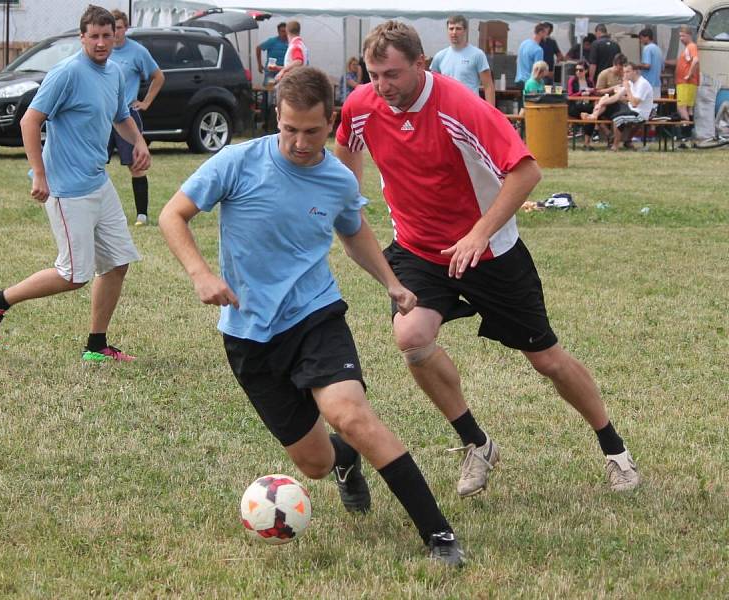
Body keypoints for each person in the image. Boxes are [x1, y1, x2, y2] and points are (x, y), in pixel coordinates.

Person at [158, 66, 464, 567]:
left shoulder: (338, 179)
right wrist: (200, 273)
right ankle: (344, 460)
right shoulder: (236, 162)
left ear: (331, 123)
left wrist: (391, 282)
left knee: (352, 414)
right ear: (275, 117)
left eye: (313, 131)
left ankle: (439, 536)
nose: (300, 142)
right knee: (315, 463)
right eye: (289, 129)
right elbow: (174, 214)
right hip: (248, 332)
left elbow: (354, 230)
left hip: (315, 314)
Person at [334, 20, 640, 496]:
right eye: (373, 74)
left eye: (391, 74)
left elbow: (526, 172)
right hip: (418, 249)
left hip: (490, 252)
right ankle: (477, 443)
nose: (381, 86)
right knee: (412, 338)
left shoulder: (460, 106)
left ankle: (615, 448)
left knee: (547, 359)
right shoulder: (361, 105)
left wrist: (478, 235)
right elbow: (344, 155)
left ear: (421, 64)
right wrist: (342, 201)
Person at [0, 5, 149, 362]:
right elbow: (29, 121)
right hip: (67, 189)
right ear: (82, 37)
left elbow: (120, 117)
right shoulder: (66, 73)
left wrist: (140, 143)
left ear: (116, 35)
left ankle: (96, 347)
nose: (102, 42)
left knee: (117, 263)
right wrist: (39, 174)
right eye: (95, 36)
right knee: (73, 275)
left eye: (108, 34)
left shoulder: (114, 72)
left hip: (99, 183)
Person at [108, 9, 164, 227]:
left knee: (136, 165)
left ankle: (142, 215)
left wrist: (146, 102)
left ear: (126, 28)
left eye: (119, 27)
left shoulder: (137, 52)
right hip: (103, 115)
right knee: (93, 163)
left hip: (126, 115)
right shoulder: (103, 50)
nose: (115, 32)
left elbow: (158, 76)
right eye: (112, 28)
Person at [584, 62, 654, 151]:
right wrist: (601, 104)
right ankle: (593, 116)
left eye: (628, 72)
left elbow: (634, 103)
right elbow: (616, 97)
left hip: (640, 114)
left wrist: (627, 88)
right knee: (605, 100)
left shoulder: (642, 84)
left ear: (635, 72)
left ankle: (615, 146)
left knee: (618, 118)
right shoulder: (630, 82)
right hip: (630, 109)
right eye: (624, 72)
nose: (625, 74)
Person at [430, 14, 495, 106]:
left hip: (470, 108)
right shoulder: (439, 57)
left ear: (465, 30)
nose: (454, 32)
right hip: (448, 109)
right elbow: (433, 86)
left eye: (458, 28)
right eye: (451, 28)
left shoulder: (477, 55)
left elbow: (488, 85)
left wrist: (491, 113)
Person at [674, 25, 700, 141]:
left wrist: (689, 74)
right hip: (687, 82)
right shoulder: (687, 48)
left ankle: (685, 133)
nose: (681, 38)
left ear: (689, 35)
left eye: (683, 36)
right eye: (680, 36)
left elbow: (696, 60)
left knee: (681, 107)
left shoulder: (691, 46)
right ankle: (688, 135)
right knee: (688, 108)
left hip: (686, 82)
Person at [567, 60, 596, 150]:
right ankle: (587, 144)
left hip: (587, 105)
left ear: (586, 71)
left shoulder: (590, 81)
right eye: (576, 70)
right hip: (575, 107)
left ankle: (587, 142)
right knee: (588, 115)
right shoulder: (572, 80)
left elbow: (594, 94)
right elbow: (570, 95)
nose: (578, 72)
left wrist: (590, 93)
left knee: (591, 114)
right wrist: (581, 93)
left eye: (581, 70)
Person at [256, 22, 288, 86]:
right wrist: (259, 64)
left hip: (283, 72)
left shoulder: (290, 43)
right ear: (278, 31)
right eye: (282, 31)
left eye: (286, 31)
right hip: (271, 72)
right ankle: (266, 95)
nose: (284, 33)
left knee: (282, 90)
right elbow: (258, 48)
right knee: (270, 89)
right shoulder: (272, 41)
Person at [515, 24, 546, 90]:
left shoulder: (523, 43)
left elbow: (517, 61)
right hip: (530, 83)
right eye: (545, 33)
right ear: (540, 32)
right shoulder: (538, 49)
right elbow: (538, 69)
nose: (546, 36)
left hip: (518, 80)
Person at [637, 28, 663, 98]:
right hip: (657, 83)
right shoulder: (658, 49)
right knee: (655, 106)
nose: (640, 41)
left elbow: (647, 65)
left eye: (641, 38)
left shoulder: (647, 48)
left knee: (646, 106)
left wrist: (636, 66)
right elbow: (662, 66)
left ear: (647, 37)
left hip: (648, 83)